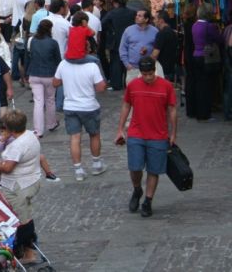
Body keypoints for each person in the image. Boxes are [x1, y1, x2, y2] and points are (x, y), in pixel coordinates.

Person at [115, 56, 177, 218]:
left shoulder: (166, 86)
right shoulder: (133, 86)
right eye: (145, 74)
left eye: (150, 74)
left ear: (154, 71)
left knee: (153, 170)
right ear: (140, 73)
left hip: (158, 135)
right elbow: (126, 104)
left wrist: (173, 133)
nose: (148, 77)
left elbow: (172, 109)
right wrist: (120, 129)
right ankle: (137, 189)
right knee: (134, 167)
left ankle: (148, 201)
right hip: (136, 133)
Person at [0, 111, 43, 264]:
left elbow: (7, 167)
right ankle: (29, 252)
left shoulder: (17, 145)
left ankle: (18, 249)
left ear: (10, 129)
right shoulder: (30, 135)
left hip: (17, 186)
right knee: (25, 214)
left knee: (19, 219)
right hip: (31, 180)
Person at [53, 50, 107, 181]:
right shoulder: (92, 65)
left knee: (75, 137)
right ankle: (96, 164)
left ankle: (78, 170)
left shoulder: (63, 64)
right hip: (89, 106)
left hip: (70, 106)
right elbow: (101, 87)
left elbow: (55, 83)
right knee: (94, 134)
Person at [26, 20, 61, 137]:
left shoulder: (32, 41)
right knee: (50, 100)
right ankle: (51, 123)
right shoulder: (53, 43)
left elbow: (28, 58)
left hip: (34, 74)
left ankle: (38, 130)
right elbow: (58, 61)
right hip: (49, 74)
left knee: (38, 102)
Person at [188, 5, 223, 122]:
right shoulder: (209, 26)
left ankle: (200, 112)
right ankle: (205, 114)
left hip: (196, 56)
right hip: (207, 58)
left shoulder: (195, 25)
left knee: (199, 86)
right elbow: (219, 39)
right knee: (207, 87)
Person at [102, 0, 136, 90]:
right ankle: (129, 83)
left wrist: (111, 30)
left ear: (116, 3)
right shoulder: (132, 12)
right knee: (128, 61)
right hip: (130, 40)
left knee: (116, 63)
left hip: (115, 40)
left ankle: (116, 84)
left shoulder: (112, 13)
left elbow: (103, 24)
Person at [120, 9, 160, 84]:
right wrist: (127, 64)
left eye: (140, 16)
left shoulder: (155, 31)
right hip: (133, 68)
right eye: (137, 15)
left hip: (149, 70)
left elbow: (157, 49)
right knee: (133, 93)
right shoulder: (128, 30)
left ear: (146, 19)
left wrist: (147, 50)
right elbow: (122, 48)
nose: (136, 17)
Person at [151, 11, 178, 84]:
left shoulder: (161, 34)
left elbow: (155, 54)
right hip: (170, 68)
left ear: (161, 20)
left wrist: (148, 63)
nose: (154, 21)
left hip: (161, 69)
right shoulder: (173, 33)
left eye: (155, 18)